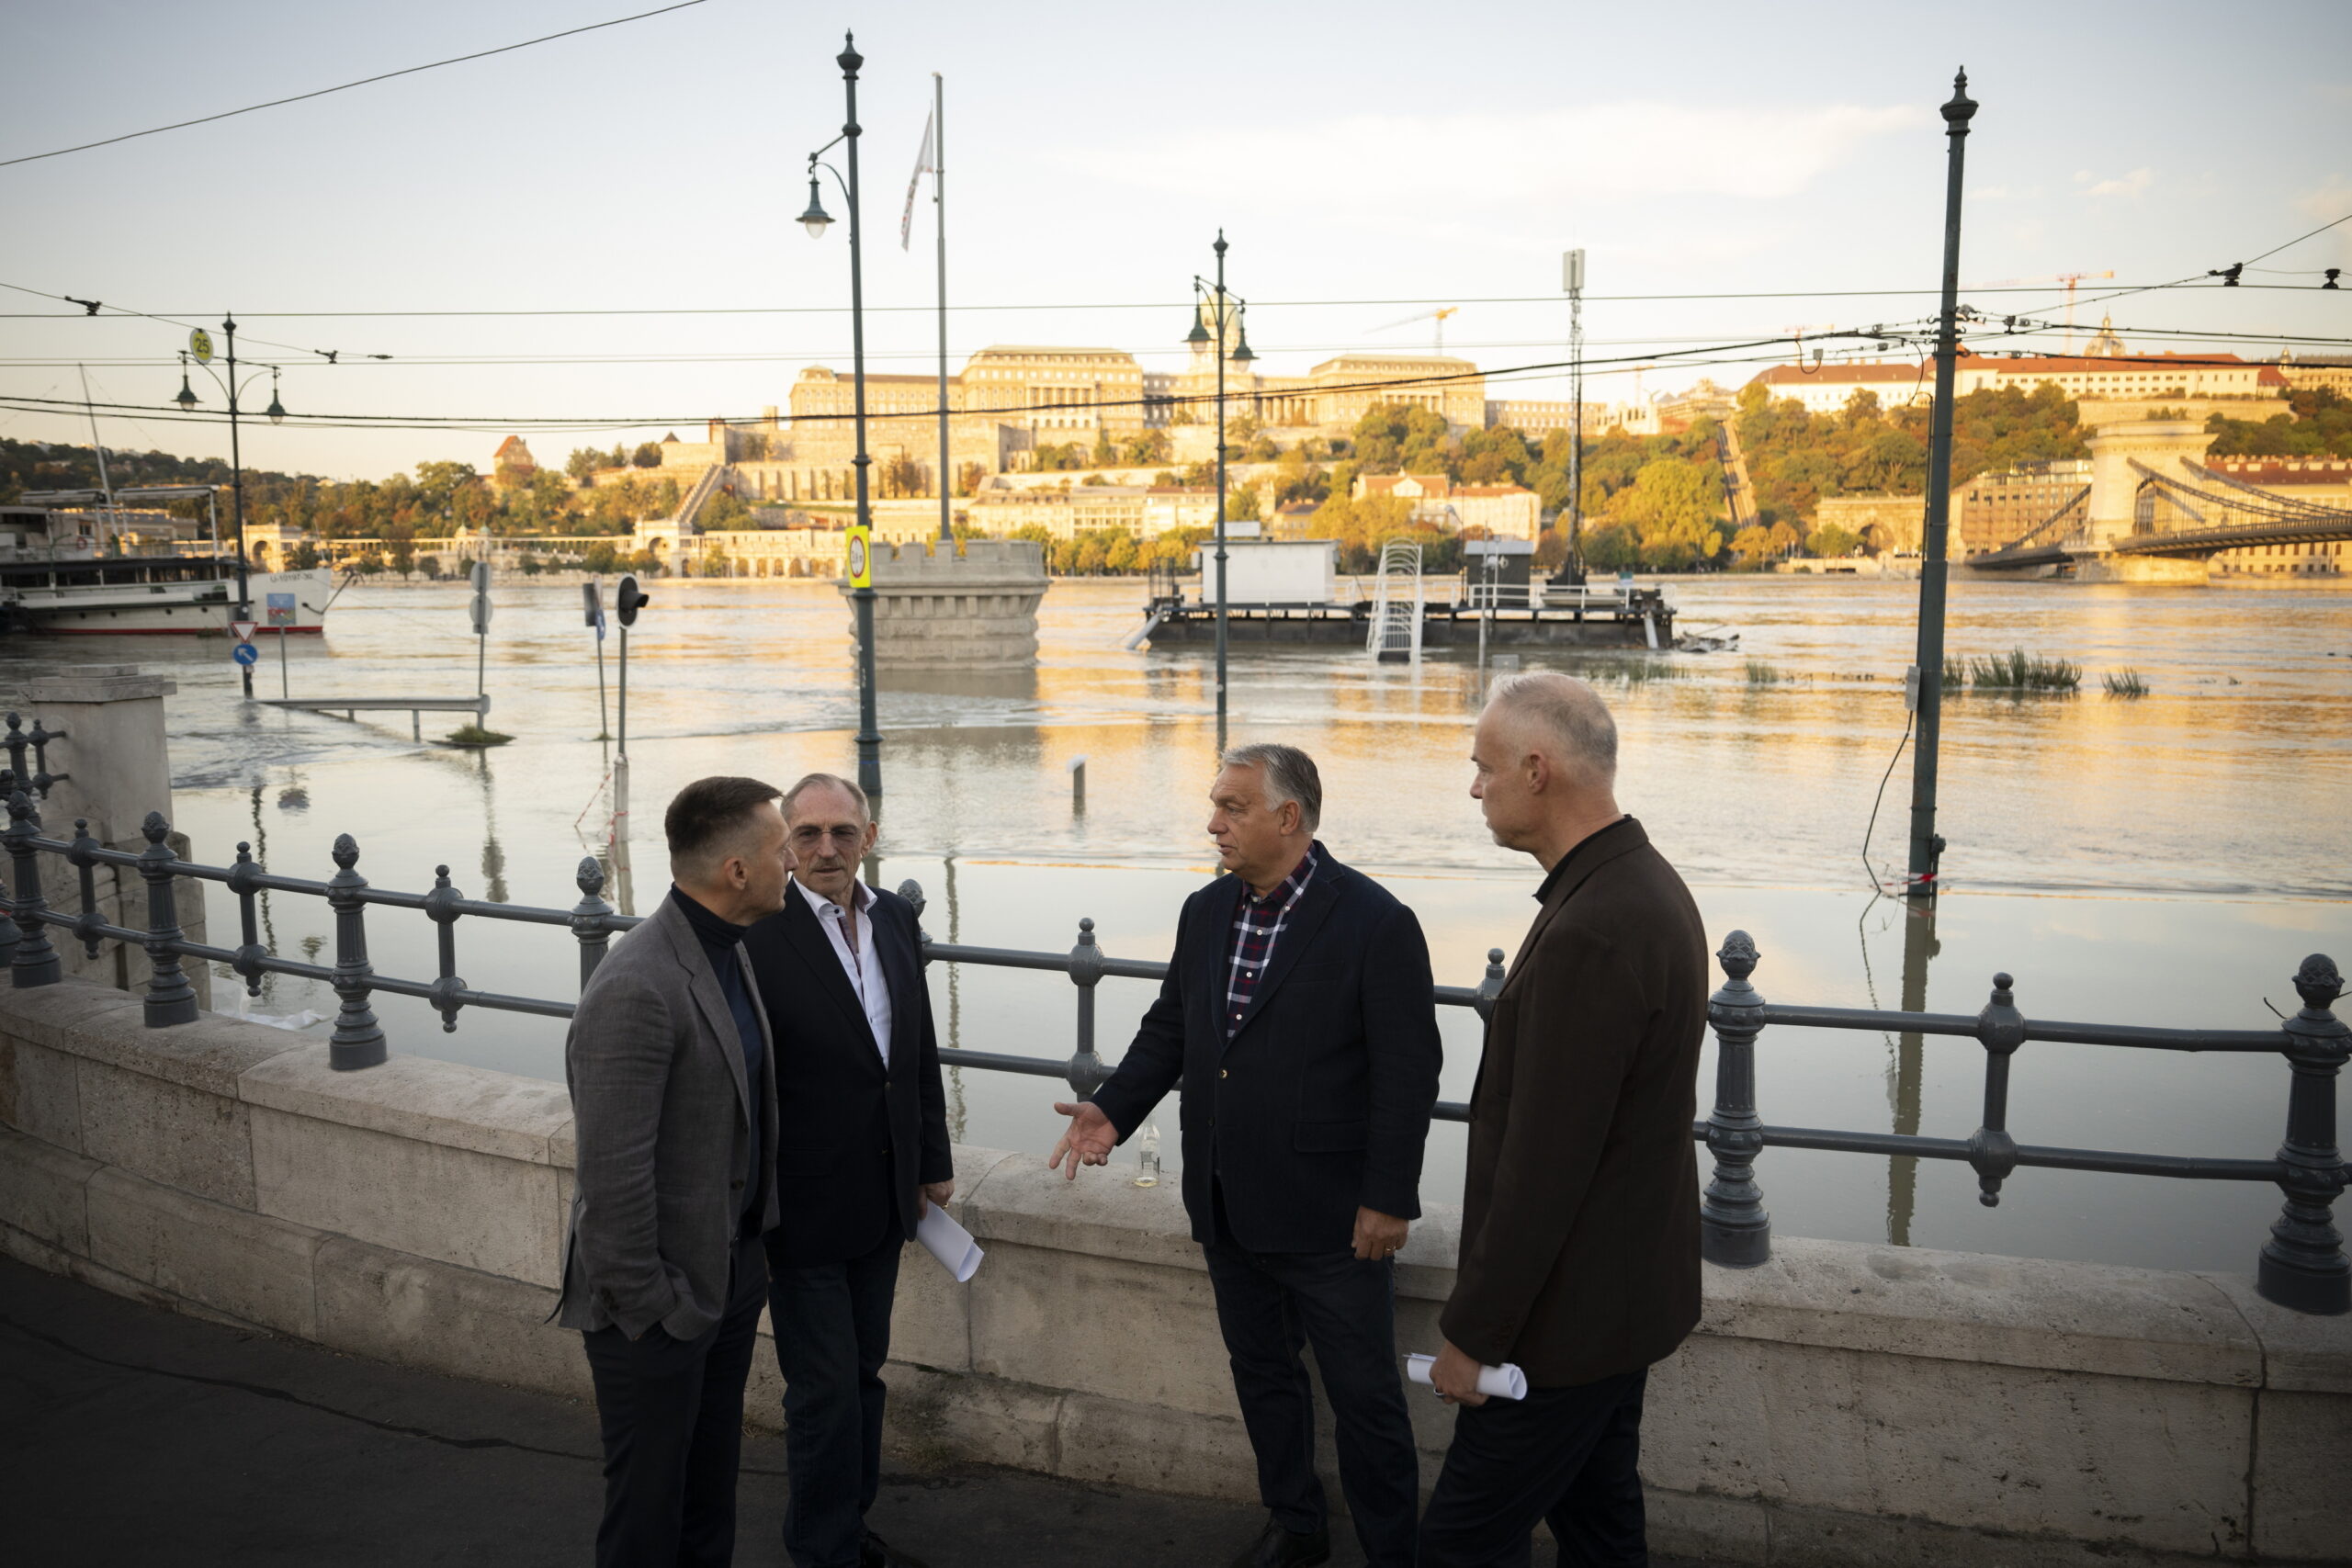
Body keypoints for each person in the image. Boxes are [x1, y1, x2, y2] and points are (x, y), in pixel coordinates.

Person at [1050, 743, 1441, 1568]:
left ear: (1288, 818)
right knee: (1263, 1376)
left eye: (1232, 807)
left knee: (1366, 1401)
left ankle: (1391, 1554)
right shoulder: (1205, 910)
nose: (1213, 822)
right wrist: (1112, 1111)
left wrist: (1389, 1198)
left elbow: (1410, 1075)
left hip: (1334, 1217)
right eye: (1216, 804)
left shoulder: (1377, 921)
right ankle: (1296, 1527)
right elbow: (1172, 1029)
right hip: (1226, 1199)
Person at [1418, 671, 1709, 1568]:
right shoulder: (1640, 888)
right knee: (1600, 1527)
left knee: (1454, 1550)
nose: (1474, 788)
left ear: (1536, 770)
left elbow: (1545, 1171)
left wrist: (1474, 1337)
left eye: (1483, 767)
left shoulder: (1595, 928)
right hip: (1617, 1307)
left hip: (1558, 1334)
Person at [556, 775, 794, 1568]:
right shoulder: (636, 985)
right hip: (654, 1312)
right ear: (736, 870)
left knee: (705, 1503)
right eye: (781, 846)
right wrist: (662, 1310)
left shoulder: (726, 951)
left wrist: (739, 1269)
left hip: (722, 1283)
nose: (793, 860)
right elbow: (611, 1184)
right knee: (646, 1520)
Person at [741, 773, 953, 1568]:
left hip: (886, 1195)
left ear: (870, 835)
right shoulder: (757, 929)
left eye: (842, 832)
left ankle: (849, 1525)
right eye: (808, 834)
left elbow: (915, 1051)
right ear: (785, 845)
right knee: (824, 1389)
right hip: (797, 1204)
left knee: (864, 1373)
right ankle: (822, 1546)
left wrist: (932, 1158)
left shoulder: (896, 916)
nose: (826, 848)